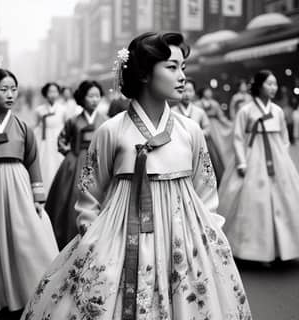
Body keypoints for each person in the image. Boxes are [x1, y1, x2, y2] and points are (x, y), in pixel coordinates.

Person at [21, 32, 251, 320]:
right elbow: (90, 194)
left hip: (185, 239)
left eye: (183, 68)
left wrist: (208, 238)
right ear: (143, 73)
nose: (182, 77)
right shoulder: (111, 131)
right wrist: (92, 240)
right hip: (119, 235)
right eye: (171, 67)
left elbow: (206, 192)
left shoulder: (190, 131)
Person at [0, 69, 59, 318]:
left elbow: (32, 161)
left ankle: (32, 290)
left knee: (25, 237)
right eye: (4, 89)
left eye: (13, 89)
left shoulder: (23, 128)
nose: (10, 94)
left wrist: (38, 198)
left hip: (17, 186)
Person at [218, 70, 299, 263]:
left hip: (277, 158)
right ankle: (253, 249)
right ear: (259, 86)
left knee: (285, 201)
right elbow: (238, 138)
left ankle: (284, 247)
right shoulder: (245, 110)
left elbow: (284, 139)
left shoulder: (278, 111)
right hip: (252, 156)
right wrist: (242, 162)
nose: (273, 88)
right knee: (254, 202)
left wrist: (283, 160)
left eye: (275, 84)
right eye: (269, 84)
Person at [46, 80, 108, 250]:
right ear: (82, 98)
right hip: (76, 163)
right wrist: (71, 156)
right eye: (90, 96)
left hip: (99, 162)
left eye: (97, 96)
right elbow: (62, 140)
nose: (94, 100)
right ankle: (70, 236)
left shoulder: (106, 120)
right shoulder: (73, 121)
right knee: (72, 199)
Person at [173, 79, 224, 185]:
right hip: (180, 149)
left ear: (194, 93)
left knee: (208, 177)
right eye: (183, 91)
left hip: (200, 147)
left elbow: (207, 129)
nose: (187, 94)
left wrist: (198, 134)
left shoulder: (199, 111)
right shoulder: (172, 112)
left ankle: (210, 194)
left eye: (190, 91)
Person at [34, 82, 67, 195]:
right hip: (44, 141)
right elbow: (37, 126)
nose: (52, 94)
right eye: (50, 91)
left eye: (55, 91)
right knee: (45, 164)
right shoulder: (39, 110)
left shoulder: (63, 109)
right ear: (45, 94)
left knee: (58, 162)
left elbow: (65, 126)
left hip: (58, 139)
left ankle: (59, 189)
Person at [196, 86, 233, 168]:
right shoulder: (197, 104)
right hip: (203, 127)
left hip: (215, 127)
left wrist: (230, 124)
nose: (209, 93)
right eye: (207, 91)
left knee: (218, 147)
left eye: (210, 91)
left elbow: (221, 116)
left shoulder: (214, 103)